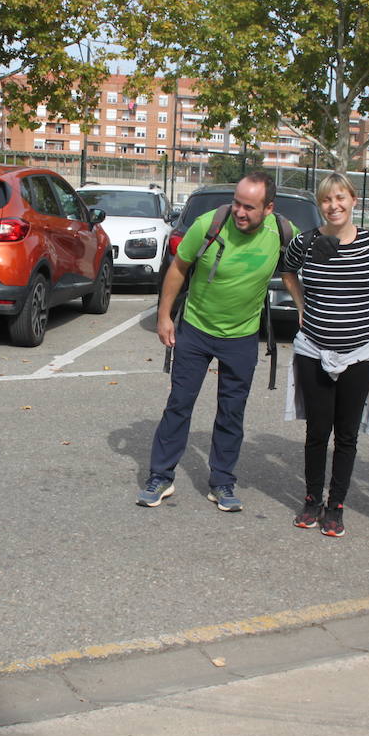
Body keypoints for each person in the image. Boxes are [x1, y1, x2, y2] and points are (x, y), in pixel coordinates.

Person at [136, 172, 287, 513]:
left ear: (269, 208)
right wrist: (164, 316)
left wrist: (306, 313)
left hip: (242, 336)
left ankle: (222, 482)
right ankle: (161, 476)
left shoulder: (281, 233)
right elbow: (178, 268)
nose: (240, 211)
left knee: (232, 413)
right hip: (196, 329)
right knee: (179, 404)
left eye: (249, 206)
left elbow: (291, 274)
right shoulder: (209, 224)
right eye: (237, 202)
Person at [281, 173, 369, 537]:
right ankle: (311, 499)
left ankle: (336, 506)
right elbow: (287, 273)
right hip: (314, 348)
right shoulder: (305, 242)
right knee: (318, 431)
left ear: (353, 200)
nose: (334, 206)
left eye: (340, 198)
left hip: (360, 351)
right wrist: (301, 306)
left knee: (346, 435)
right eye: (326, 200)